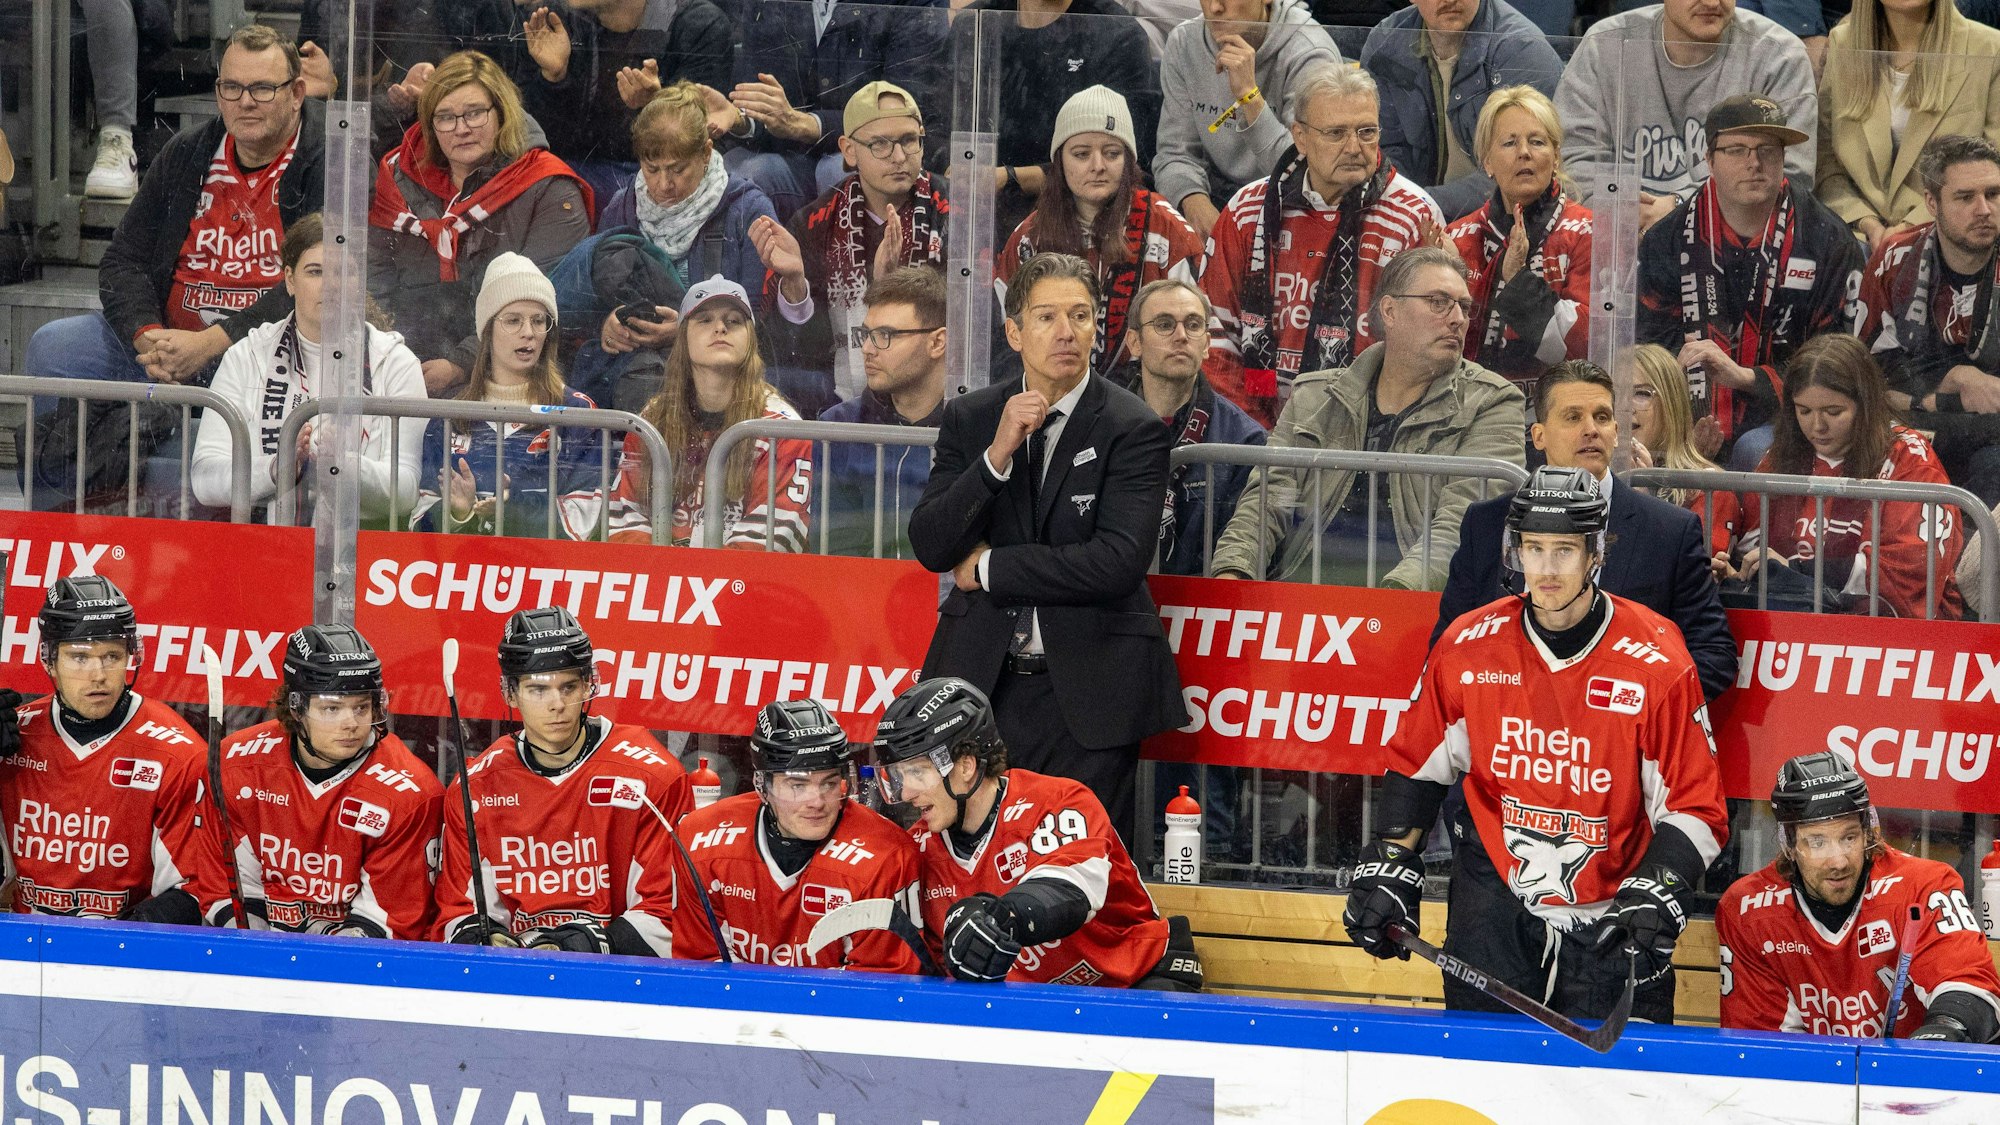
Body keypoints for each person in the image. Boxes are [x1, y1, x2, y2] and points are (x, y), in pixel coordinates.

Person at [1344, 467, 1730, 1024]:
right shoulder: (1468, 646)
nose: (1546, 570)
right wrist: (1388, 861)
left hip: (1613, 908)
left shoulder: (1658, 660)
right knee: (1481, 1083)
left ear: (1596, 553)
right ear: (1515, 551)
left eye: (1565, 551)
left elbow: (1694, 804)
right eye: (1534, 548)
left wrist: (1660, 887)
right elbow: (1418, 766)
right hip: (1495, 901)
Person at [906, 252, 1184, 844]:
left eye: (1081, 316)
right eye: (1048, 317)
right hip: (983, 681)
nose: (1067, 332)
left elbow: (1116, 561)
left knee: (1076, 865)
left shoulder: (1132, 426)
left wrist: (989, 566)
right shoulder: (974, 417)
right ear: (1014, 331)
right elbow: (931, 543)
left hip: (1088, 690)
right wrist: (996, 455)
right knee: (971, 857)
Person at [23, 24, 323, 398]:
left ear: (296, 94)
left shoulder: (327, 161)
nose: (245, 102)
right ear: (218, 93)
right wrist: (148, 338)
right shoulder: (186, 152)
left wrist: (212, 343)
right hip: (167, 348)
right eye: (231, 87)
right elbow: (123, 260)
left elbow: (321, 285)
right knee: (54, 348)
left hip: (267, 354)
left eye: (262, 88)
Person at [1209, 248, 1526, 591]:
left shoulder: (1493, 402)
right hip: (1297, 601)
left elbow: (1461, 525)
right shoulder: (1314, 396)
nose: (1457, 319)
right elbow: (1265, 503)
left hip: (1415, 605)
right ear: (1389, 311)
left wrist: (1389, 603)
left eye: (1463, 307)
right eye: (1438, 302)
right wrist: (1232, 575)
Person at [1431, 361, 1737, 701]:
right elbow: (1448, 647)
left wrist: (1627, 708)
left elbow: (1713, 654)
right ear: (1539, 435)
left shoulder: (1668, 531)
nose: (1591, 429)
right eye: (1573, 417)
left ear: (1616, 432)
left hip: (1620, 743)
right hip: (1509, 737)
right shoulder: (1486, 524)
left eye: (1602, 417)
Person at [872, 678, 1203, 990]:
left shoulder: (1059, 801)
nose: (905, 793)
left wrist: (1000, 918)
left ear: (965, 765)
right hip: (1038, 1010)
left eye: (917, 772)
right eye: (898, 776)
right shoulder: (920, 850)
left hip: (1136, 981)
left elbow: (1070, 892)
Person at [1200, 66, 1447, 428]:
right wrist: (1253, 436)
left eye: (1366, 132)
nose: (1353, 147)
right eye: (1335, 133)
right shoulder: (1246, 210)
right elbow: (1212, 334)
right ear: (1299, 137)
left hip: (1368, 437)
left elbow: (1425, 350)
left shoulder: (1415, 216)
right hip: (1252, 436)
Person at [435, 607, 691, 951]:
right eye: (538, 690)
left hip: (618, 981)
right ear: (510, 694)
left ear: (589, 685)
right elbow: (458, 907)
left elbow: (667, 912)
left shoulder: (651, 776)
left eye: (569, 686)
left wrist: (576, 949)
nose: (557, 704)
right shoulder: (477, 786)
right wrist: (483, 939)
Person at [1637, 95, 1862, 471]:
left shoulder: (1828, 240)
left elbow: (1841, 363)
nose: (1754, 163)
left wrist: (1747, 379)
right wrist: (1680, 423)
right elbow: (1650, 351)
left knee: (1754, 452)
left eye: (1767, 150)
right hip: (1687, 413)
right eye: (1737, 150)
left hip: (1794, 418)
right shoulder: (1667, 239)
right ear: (1708, 160)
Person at [1716, 751, 2000, 1041]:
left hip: (1916, 1078)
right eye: (1817, 842)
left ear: (1868, 831)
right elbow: (1757, 1048)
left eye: (1849, 837)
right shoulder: (1749, 910)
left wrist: (1938, 1040)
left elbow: (1970, 991)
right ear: (1788, 843)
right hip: (1815, 1080)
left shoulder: (1923, 885)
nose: (1838, 861)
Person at [0, 577, 234, 924]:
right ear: (49, 661)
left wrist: (120, 941)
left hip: (125, 957)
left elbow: (197, 890)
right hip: (24, 948)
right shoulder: (14, 738)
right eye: (79, 658)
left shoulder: (177, 755)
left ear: (131, 656)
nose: (99, 675)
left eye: (112, 655)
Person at [368, 49, 593, 397]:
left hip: (510, 373)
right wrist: (387, 354)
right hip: (400, 360)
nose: (461, 129)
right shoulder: (397, 180)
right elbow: (374, 278)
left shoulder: (548, 188)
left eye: (474, 113)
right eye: (445, 117)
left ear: (501, 114)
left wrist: (461, 362)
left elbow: (545, 299)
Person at [551, 81, 782, 413]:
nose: (663, 184)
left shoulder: (749, 209)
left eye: (677, 169)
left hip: (717, 372)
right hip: (635, 367)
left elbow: (761, 322)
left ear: (705, 153)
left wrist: (688, 331)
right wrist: (608, 327)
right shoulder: (622, 205)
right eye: (652, 169)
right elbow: (594, 297)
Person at [192, 212, 427, 524]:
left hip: (361, 551)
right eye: (315, 272)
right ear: (290, 280)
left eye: (344, 273)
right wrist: (276, 469)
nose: (331, 285)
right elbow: (204, 479)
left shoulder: (396, 363)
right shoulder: (246, 356)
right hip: (263, 544)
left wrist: (345, 465)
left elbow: (407, 490)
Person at [218, 625, 443, 940]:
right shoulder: (238, 762)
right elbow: (228, 883)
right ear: (296, 707)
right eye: (332, 708)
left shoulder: (409, 794)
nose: (351, 723)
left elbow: (390, 919)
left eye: (361, 707)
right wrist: (252, 947)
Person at [670, 699, 924, 971]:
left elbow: (881, 988)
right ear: (762, 786)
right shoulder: (700, 840)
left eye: (828, 783)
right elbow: (697, 968)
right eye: (798, 785)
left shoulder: (887, 855)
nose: (816, 801)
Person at [1726, 334, 1966, 620]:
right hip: (1795, 624)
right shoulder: (1780, 456)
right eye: (1804, 411)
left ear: (1865, 405)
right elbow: (1751, 543)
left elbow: (1912, 570)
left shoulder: (1910, 457)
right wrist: (1734, 569)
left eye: (1833, 411)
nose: (1817, 426)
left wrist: (1795, 570)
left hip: (1905, 636)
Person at [753, 82, 951, 418]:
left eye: (909, 140)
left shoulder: (954, 210)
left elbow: (978, 321)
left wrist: (892, 286)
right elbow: (791, 350)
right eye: (880, 145)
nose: (900, 156)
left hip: (939, 393)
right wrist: (795, 285)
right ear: (848, 150)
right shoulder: (814, 222)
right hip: (839, 395)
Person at [995, 87, 1205, 380]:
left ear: (1129, 162)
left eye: (1112, 153)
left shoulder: (1166, 228)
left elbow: (1201, 337)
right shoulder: (1029, 238)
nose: (1098, 166)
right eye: (1081, 154)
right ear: (1059, 162)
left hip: (1144, 401)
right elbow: (1007, 342)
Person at [1557, 0, 1815, 227]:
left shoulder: (1780, 56)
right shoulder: (1605, 45)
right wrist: (1621, 213)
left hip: (1732, 243)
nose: (1713, 3)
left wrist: (1679, 210)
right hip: (1617, 237)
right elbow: (1572, 159)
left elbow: (1791, 177)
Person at [411, 253, 610, 539]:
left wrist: (513, 510)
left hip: (544, 578)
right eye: (513, 320)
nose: (528, 333)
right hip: (461, 577)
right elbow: (414, 527)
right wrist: (455, 512)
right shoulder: (449, 417)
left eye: (539, 321)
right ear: (487, 330)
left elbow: (583, 524)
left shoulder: (578, 413)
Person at [611, 276, 815, 549]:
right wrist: (659, 574)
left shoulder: (782, 427)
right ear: (683, 338)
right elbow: (626, 512)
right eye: (704, 320)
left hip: (739, 587)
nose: (719, 328)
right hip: (660, 583)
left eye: (733, 321)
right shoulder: (653, 418)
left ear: (751, 340)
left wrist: (702, 582)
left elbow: (774, 535)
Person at [1855, 134, 2000, 507]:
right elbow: (1866, 372)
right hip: (1917, 426)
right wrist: (1954, 380)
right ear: (1931, 203)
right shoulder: (1894, 258)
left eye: (1994, 194)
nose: (1984, 209)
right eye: (1966, 197)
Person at [718, 0, 949, 221]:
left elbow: (905, 109)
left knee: (842, 174)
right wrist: (741, 121)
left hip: (877, 152)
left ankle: (868, 261)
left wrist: (809, 125)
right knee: (737, 171)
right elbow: (766, 93)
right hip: (794, 154)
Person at [953, 0, 1161, 238]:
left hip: (1079, 213)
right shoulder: (975, 22)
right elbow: (937, 123)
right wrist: (956, 168)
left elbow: (1126, 162)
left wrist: (1010, 178)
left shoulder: (1117, 32)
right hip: (976, 209)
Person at [1818, 0, 2000, 255]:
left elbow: (1994, 169)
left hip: (1951, 236)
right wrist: (1866, 223)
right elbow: (1826, 162)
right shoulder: (1843, 43)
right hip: (1858, 236)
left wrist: (1911, 225)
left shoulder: (1990, 49)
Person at [1446, 86, 1593, 399]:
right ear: (1487, 162)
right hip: (1469, 410)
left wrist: (1518, 281)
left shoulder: (1588, 231)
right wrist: (1441, 287)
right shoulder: (1456, 239)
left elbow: (1584, 344)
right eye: (1509, 142)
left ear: (1556, 158)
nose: (1524, 152)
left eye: (1537, 142)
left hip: (1561, 414)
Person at [1359, 0, 1565, 222]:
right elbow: (1382, 152)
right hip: (1414, 221)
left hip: (1506, 221)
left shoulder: (1523, 50)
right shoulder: (1386, 44)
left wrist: (1417, 205)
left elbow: (1518, 173)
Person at [513, 0, 734, 207]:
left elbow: (698, 144)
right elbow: (532, 139)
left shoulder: (698, 24)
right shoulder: (556, 20)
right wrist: (553, 78)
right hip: (572, 172)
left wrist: (656, 104)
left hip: (650, 180)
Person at [1154, 0, 1342, 240]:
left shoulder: (1311, 52)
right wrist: (1193, 202)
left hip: (1294, 208)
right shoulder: (1184, 43)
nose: (1214, 8)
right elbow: (1174, 153)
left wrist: (1249, 97)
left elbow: (1308, 174)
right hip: (1215, 196)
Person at [1121, 279, 1268, 577]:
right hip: (1118, 603)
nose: (1181, 336)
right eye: (1164, 324)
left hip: (1203, 607)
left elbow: (1244, 542)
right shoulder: (1103, 426)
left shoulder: (1244, 440)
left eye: (1193, 324)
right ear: (1134, 342)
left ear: (1206, 344)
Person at [818, 266, 949, 560]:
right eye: (867, 334)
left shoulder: (978, 426)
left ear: (937, 342)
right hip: (867, 598)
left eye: (885, 335)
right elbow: (837, 554)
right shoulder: (838, 428)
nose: (867, 349)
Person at [1627, 343, 1737, 555]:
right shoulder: (1593, 477)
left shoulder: (1710, 489)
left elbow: (1693, 576)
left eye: (1641, 394)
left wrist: (1644, 502)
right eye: (1615, 394)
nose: (1624, 406)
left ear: (1672, 402)